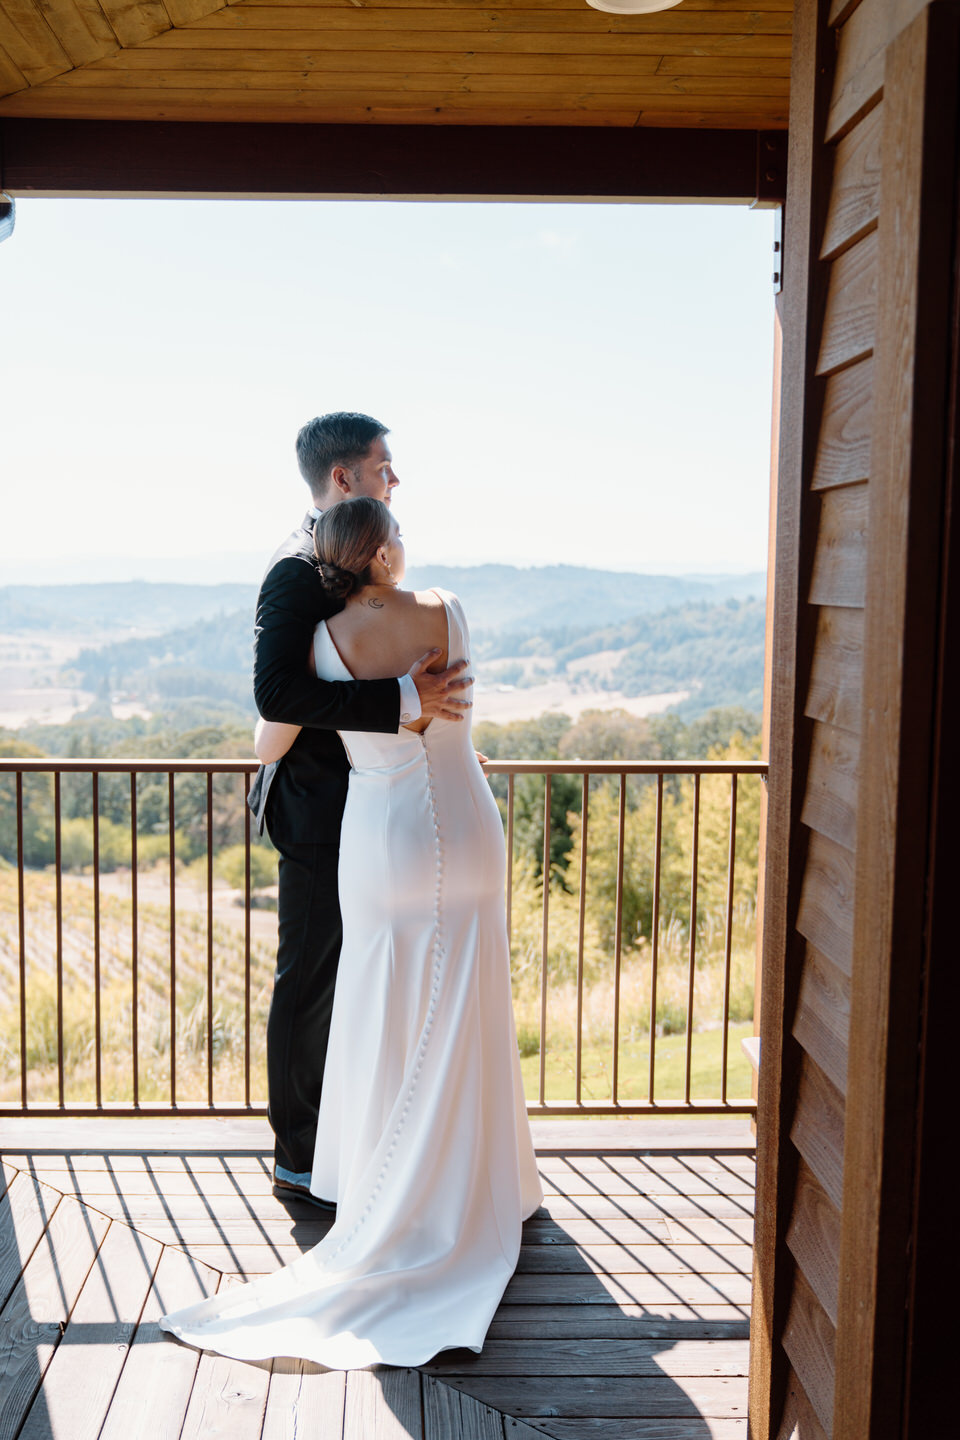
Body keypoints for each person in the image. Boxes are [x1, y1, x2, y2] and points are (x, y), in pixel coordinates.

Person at [160, 498, 542, 1367]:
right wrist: (415, 696)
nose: (406, 539)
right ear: (377, 553)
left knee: (379, 1003)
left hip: (387, 839)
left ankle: (390, 1192)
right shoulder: (449, 610)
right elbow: (459, 710)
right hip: (471, 828)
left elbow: (269, 739)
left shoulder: (326, 644)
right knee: (471, 1003)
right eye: (396, 529)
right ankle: (484, 1187)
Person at [248, 412, 472, 1205]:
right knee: (311, 972)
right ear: (343, 479)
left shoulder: (346, 563)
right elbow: (277, 693)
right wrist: (405, 696)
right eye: (384, 467)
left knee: (367, 971)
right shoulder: (294, 571)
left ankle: (366, 1140)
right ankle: (300, 1155)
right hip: (316, 805)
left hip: (376, 796)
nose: (394, 479)